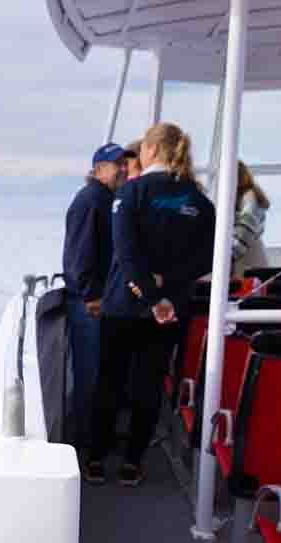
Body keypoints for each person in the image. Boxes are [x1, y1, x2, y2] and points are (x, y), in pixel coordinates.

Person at [87, 121, 217, 487]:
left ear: (153, 150)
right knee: (148, 385)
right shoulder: (200, 202)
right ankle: (132, 464)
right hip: (170, 311)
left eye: (142, 148)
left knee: (109, 382)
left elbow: (126, 255)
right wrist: (167, 289)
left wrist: (148, 291)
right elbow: (207, 260)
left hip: (125, 307)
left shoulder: (130, 195)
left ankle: (96, 459)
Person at [60, 142, 130, 446]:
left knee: (101, 374)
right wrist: (91, 295)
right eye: (118, 165)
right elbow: (80, 254)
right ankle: (85, 444)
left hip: (101, 301)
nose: (124, 170)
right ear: (99, 169)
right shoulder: (91, 200)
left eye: (126, 164)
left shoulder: (105, 199)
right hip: (90, 304)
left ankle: (97, 438)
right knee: (90, 376)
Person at [232, 161, 269, 276]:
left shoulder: (249, 198)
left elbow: (245, 231)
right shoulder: (243, 198)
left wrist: (226, 257)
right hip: (248, 261)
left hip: (249, 264)